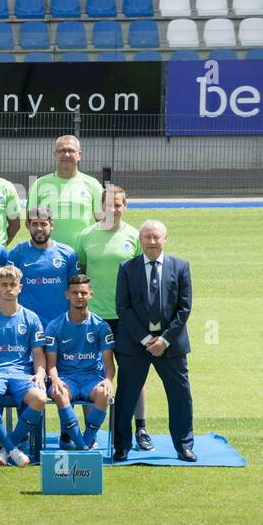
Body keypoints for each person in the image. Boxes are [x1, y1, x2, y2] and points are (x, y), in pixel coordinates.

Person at [75, 184, 151, 450]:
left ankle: (140, 429)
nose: (113, 209)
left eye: (118, 204)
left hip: (127, 318)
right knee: (91, 375)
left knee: (133, 375)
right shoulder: (85, 237)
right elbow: (82, 275)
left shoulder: (135, 236)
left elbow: (143, 279)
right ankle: (91, 432)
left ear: (125, 206)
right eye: (108, 205)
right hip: (94, 320)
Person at [112, 220, 195, 462]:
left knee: (180, 395)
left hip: (171, 345)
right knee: (126, 395)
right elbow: (123, 307)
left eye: (156, 237)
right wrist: (147, 339)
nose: (152, 242)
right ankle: (122, 446)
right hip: (136, 344)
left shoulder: (180, 266)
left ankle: (184, 445)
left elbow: (184, 307)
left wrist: (165, 340)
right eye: (147, 237)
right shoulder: (127, 268)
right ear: (140, 241)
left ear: (165, 239)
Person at [0, 264, 47, 468]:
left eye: (12, 285)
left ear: (20, 288)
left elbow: (39, 355)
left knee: (40, 397)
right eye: (4, 285)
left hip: (22, 374)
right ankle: (13, 449)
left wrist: (40, 374)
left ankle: (7, 448)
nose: (8, 289)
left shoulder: (31, 318)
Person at [44, 274, 115, 451]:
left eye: (83, 293)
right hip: (67, 378)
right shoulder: (54, 326)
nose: (79, 297)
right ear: (67, 295)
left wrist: (108, 380)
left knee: (104, 393)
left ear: (91, 294)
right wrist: (55, 380)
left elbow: (109, 364)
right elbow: (50, 365)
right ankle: (75, 440)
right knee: (60, 392)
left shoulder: (101, 326)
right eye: (75, 293)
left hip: (91, 378)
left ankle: (87, 439)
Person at [8, 206, 79, 328]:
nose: (39, 228)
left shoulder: (68, 253)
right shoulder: (17, 253)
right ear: (28, 226)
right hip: (27, 325)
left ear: (51, 225)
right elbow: (8, 289)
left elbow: (76, 289)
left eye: (43, 224)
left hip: (60, 324)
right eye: (35, 224)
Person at [28, 135, 103, 250]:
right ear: (55, 155)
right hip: (48, 254)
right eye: (62, 151)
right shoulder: (39, 184)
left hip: (81, 254)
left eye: (71, 151)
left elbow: (103, 221)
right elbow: (30, 221)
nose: (66, 154)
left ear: (79, 155)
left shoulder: (93, 184)